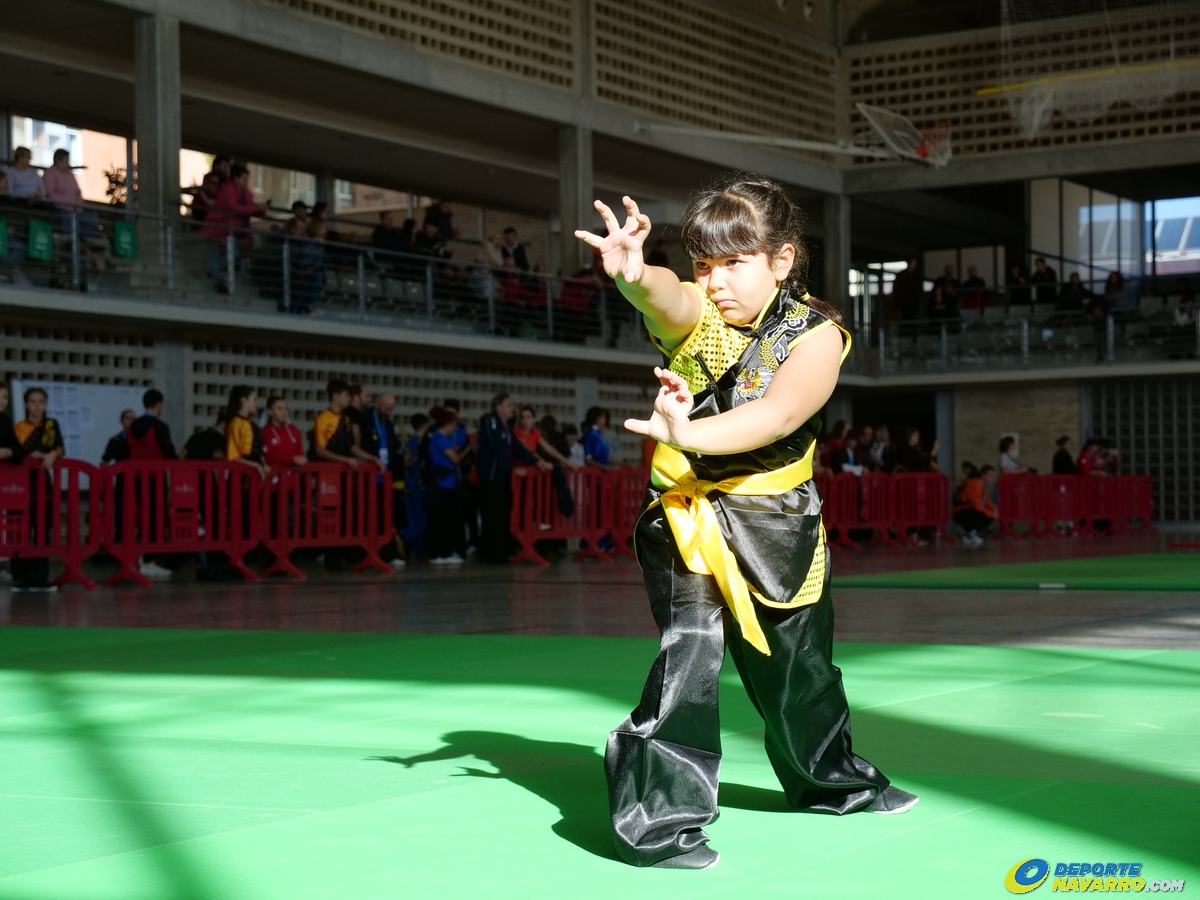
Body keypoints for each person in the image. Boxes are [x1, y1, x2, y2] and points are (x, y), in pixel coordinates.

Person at [573, 173, 911, 871]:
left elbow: (779, 415)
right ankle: (659, 821)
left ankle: (831, 782)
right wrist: (634, 275)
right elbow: (666, 297)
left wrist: (690, 433)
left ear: (781, 260)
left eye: (735, 261)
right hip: (688, 519)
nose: (716, 280)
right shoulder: (700, 314)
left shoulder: (817, 336)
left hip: (778, 520)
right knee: (688, 658)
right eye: (704, 263)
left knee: (798, 666)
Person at [475, 393, 550, 564]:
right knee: (492, 516)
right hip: (491, 478)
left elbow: (517, 448)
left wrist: (536, 461)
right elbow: (499, 449)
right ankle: (492, 554)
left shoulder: (506, 427)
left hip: (502, 479)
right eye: (509, 405)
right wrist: (513, 469)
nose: (513, 408)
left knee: (501, 515)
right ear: (498, 407)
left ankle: (498, 552)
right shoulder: (492, 422)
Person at [11, 387, 65, 591]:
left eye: (41, 401)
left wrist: (52, 454)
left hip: (42, 484)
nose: (37, 406)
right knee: (20, 529)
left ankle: (40, 577)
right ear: (26, 405)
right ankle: (20, 577)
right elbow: (13, 452)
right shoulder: (18, 428)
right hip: (20, 485)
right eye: (33, 402)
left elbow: (60, 447)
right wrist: (27, 457)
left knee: (42, 528)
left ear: (46, 404)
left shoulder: (51, 425)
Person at [202, 163, 266, 293]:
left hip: (231, 232)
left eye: (246, 179)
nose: (245, 182)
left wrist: (260, 210)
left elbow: (248, 211)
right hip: (218, 229)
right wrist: (255, 209)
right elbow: (234, 208)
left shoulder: (246, 193)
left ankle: (215, 274)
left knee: (232, 255)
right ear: (235, 178)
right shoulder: (228, 191)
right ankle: (217, 277)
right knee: (217, 254)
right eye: (243, 179)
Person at [425, 406, 468, 565]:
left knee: (445, 519)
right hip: (444, 485)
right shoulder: (440, 438)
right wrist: (469, 448)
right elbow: (455, 459)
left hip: (448, 484)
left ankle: (444, 551)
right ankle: (441, 553)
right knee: (443, 520)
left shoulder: (438, 438)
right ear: (449, 424)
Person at [309, 380, 382, 470]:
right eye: (346, 395)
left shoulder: (345, 419)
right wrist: (345, 459)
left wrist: (373, 458)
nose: (349, 398)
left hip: (338, 471)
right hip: (322, 470)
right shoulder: (322, 419)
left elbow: (351, 446)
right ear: (335, 396)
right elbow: (320, 450)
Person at [43, 148, 97, 235]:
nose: (68, 163)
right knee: (67, 218)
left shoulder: (69, 173)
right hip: (58, 208)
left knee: (92, 220)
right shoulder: (49, 173)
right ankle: (68, 240)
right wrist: (67, 207)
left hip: (75, 208)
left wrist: (79, 206)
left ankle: (82, 239)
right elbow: (51, 194)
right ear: (58, 160)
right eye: (66, 161)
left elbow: (77, 191)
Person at [400, 413, 432, 559]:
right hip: (418, 482)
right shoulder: (421, 443)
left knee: (413, 516)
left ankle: (417, 549)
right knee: (422, 517)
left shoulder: (411, 442)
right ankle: (403, 536)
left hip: (410, 482)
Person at [225, 385, 269, 478]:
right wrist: (256, 465)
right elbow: (233, 457)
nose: (256, 404)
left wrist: (262, 464)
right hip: (239, 476)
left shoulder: (252, 424)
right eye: (254, 399)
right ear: (244, 400)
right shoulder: (235, 424)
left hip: (253, 475)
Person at [127, 389, 178, 461]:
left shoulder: (131, 427)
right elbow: (169, 452)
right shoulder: (160, 427)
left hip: (134, 467)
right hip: (156, 467)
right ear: (159, 404)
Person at [952, 464, 997, 547]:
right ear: (983, 475)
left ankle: (969, 532)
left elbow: (986, 501)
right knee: (981, 515)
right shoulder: (974, 484)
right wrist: (991, 514)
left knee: (987, 516)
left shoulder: (982, 486)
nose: (992, 478)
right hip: (960, 512)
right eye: (990, 476)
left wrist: (995, 509)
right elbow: (976, 505)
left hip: (969, 510)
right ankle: (969, 533)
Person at [262, 396, 307, 468]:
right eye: (279, 409)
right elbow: (268, 457)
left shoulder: (293, 429)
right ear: (270, 411)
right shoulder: (264, 432)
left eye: (286, 408)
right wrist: (292, 459)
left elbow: (300, 454)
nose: (284, 412)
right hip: (274, 474)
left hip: (294, 473)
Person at [581, 406, 614, 471]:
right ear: (598, 418)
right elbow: (588, 460)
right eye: (603, 417)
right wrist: (605, 467)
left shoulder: (599, 435)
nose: (605, 420)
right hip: (595, 473)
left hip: (604, 472)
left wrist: (621, 463)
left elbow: (604, 457)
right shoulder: (591, 434)